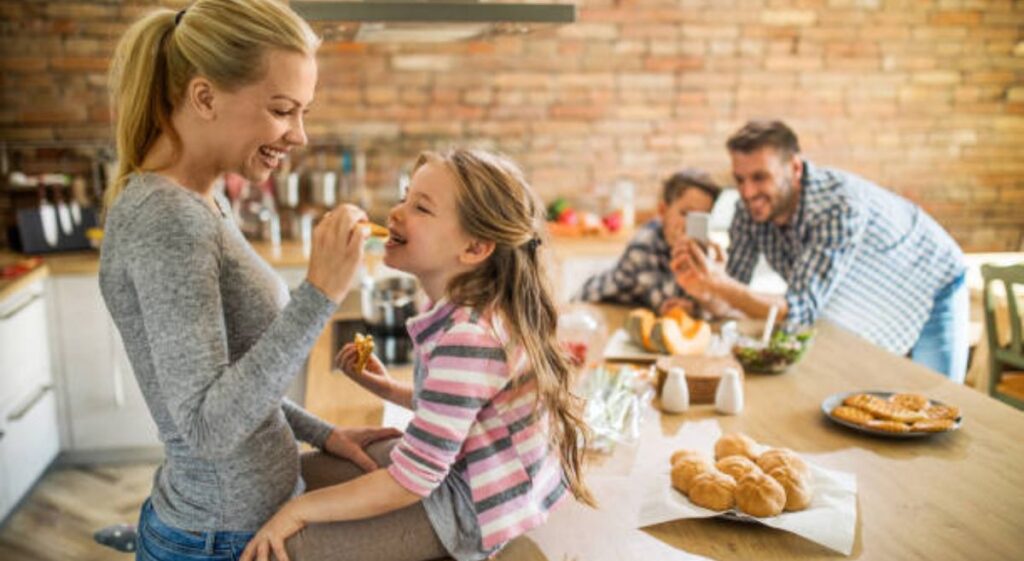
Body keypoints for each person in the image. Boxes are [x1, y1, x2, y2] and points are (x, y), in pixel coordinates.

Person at [99, 2, 399, 560]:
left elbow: (231, 387)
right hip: (218, 540)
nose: (300, 135)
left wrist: (322, 433)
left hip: (242, 519)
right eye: (284, 110)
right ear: (205, 97)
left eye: (303, 111)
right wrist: (320, 295)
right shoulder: (168, 219)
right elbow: (208, 427)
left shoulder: (201, 201)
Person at [240, 149, 596, 561]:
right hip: (453, 474)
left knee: (289, 545)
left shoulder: (471, 337)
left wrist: (298, 512)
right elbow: (463, 414)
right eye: (406, 197)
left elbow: (413, 480)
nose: (396, 213)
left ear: (476, 247)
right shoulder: (461, 307)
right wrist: (390, 389)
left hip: (470, 507)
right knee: (283, 479)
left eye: (421, 208)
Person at [673, 120, 968, 381]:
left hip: (932, 278)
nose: (748, 192)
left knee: (938, 403)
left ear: (795, 168)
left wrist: (720, 284)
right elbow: (734, 298)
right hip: (859, 292)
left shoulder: (838, 205)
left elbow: (798, 312)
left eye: (760, 177)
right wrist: (704, 290)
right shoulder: (749, 209)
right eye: (740, 180)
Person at [576, 169, 721, 315]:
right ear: (662, 211)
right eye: (684, 214)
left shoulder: (703, 250)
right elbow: (666, 303)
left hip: (632, 312)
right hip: (594, 306)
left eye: (700, 219)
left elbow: (714, 303)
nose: (689, 225)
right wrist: (698, 306)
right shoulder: (644, 244)